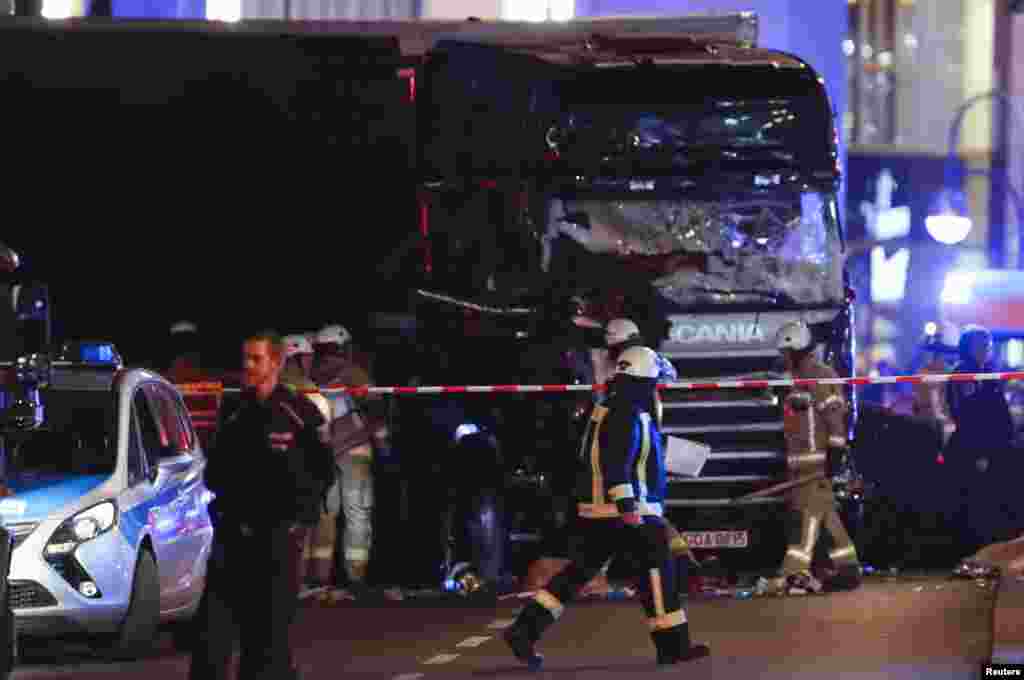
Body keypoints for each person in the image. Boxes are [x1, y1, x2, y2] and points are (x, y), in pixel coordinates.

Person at [503, 346, 710, 670]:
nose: (657, 388)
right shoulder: (627, 411)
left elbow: (615, 458)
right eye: (655, 381)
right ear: (644, 379)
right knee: (657, 573)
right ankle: (673, 646)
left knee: (577, 574)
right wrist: (627, 504)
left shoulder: (611, 405)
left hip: (601, 510)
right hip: (626, 510)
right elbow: (616, 463)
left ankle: (524, 630)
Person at [189, 330, 334, 680]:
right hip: (232, 539)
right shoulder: (235, 409)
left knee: (266, 643)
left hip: (276, 542)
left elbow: (322, 472)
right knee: (212, 636)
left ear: (277, 362)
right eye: (246, 359)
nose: (249, 366)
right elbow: (216, 469)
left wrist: (299, 519)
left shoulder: (297, 412)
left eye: (257, 359)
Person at [768, 320, 861, 595]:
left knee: (806, 521)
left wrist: (835, 454)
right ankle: (848, 569)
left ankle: (793, 572)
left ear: (797, 349)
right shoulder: (795, 380)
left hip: (816, 467)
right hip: (800, 469)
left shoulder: (820, 375)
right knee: (827, 518)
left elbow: (835, 419)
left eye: (786, 353)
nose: (783, 358)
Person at [311, 324, 386, 596]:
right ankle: (355, 578)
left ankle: (319, 580)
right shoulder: (354, 373)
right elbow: (376, 409)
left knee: (325, 514)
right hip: (355, 449)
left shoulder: (310, 375)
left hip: (323, 451)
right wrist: (382, 440)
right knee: (357, 513)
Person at [945, 324, 1015, 554]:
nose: (987, 349)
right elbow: (969, 415)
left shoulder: (988, 372)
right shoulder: (963, 373)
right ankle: (969, 553)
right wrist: (979, 452)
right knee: (973, 505)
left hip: (994, 448)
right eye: (981, 345)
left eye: (988, 345)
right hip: (971, 449)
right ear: (968, 347)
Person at [280, 334, 334, 595]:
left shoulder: (260, 393)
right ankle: (299, 585)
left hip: (270, 475)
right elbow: (324, 443)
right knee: (301, 531)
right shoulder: (313, 395)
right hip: (302, 475)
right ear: (300, 358)